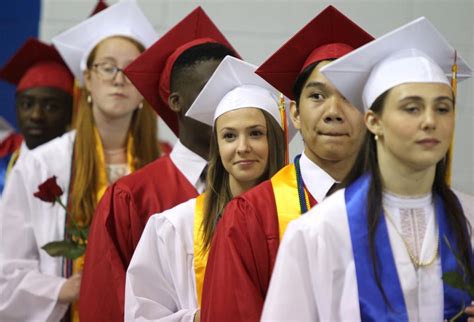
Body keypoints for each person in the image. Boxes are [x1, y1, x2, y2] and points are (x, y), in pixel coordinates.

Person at [261, 17, 474, 321]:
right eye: (412, 108)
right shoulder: (319, 232)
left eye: (442, 108)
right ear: (372, 120)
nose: (430, 121)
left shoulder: (469, 219)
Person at [201, 6, 373, 322]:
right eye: (317, 96)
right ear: (294, 113)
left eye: (349, 96)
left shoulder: (404, 209)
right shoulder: (250, 217)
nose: (333, 111)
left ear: (371, 113)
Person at [0, 2, 160, 321]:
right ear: (87, 77)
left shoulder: (161, 165)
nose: (119, 79)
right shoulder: (40, 165)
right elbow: (6, 266)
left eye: (130, 70)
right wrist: (61, 289)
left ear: (143, 87)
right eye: (108, 67)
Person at [79, 7, 239, 322]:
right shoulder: (131, 197)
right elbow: (106, 304)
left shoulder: (262, 187)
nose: (227, 103)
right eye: (211, 91)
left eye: (232, 90)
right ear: (175, 101)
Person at [124, 56, 289, 322]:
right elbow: (141, 315)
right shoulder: (175, 226)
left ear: (276, 140)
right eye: (229, 135)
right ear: (217, 145)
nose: (242, 147)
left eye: (256, 133)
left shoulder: (301, 216)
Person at [0, 38, 74, 195]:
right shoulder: (4, 157)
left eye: (51, 107)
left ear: (70, 112)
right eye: (26, 104)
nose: (36, 116)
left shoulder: (81, 167)